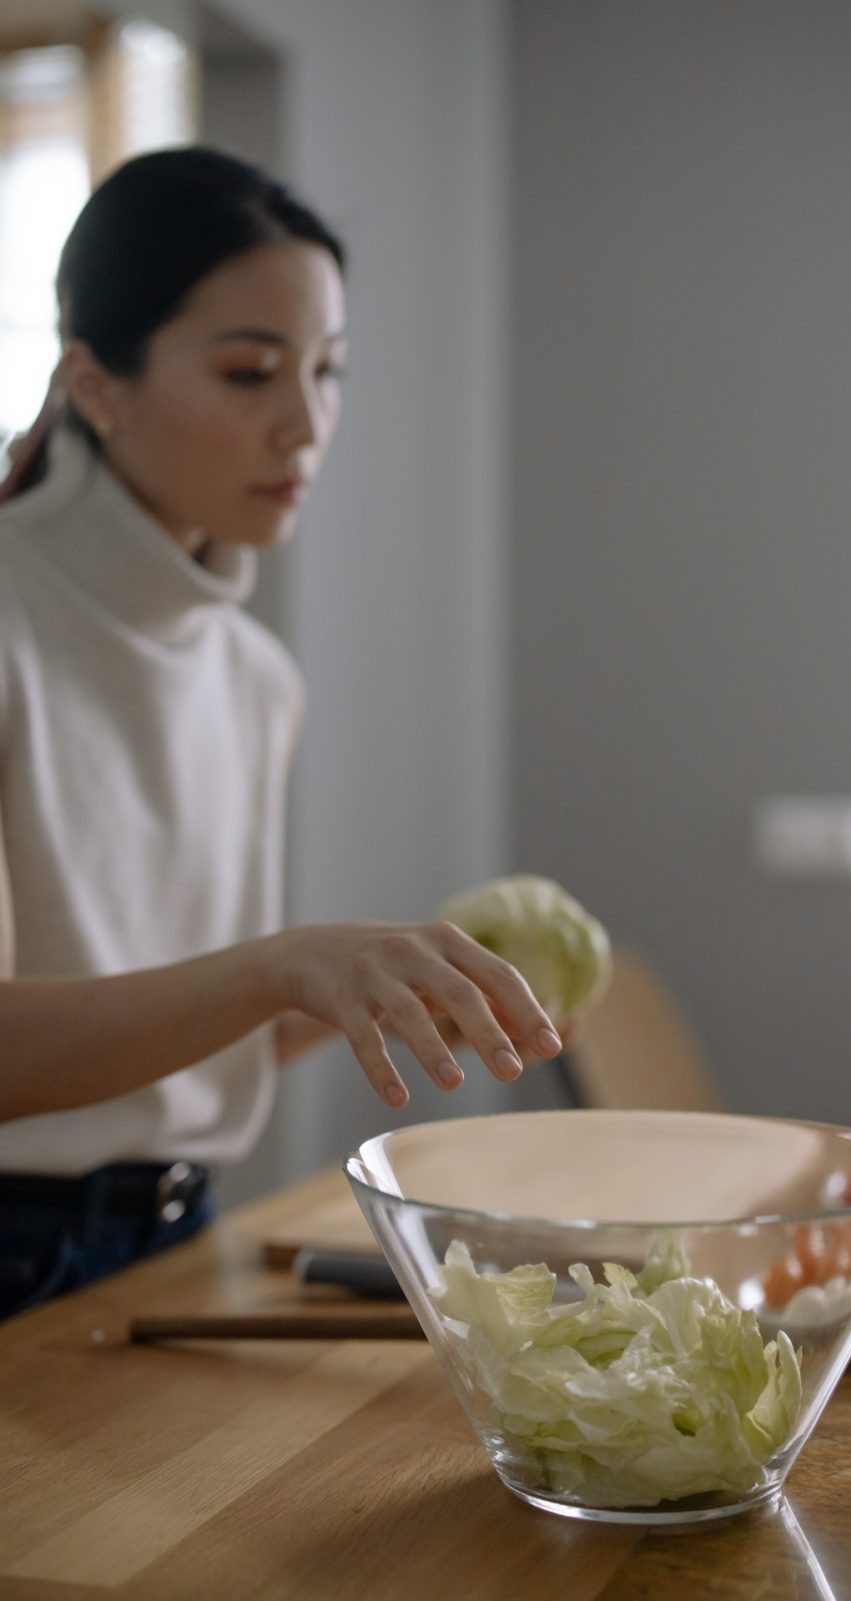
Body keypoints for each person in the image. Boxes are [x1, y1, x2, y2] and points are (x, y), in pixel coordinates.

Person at [0, 146, 562, 1319]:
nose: (305, 425)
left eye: (330, 370)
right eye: (252, 371)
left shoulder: (256, 675)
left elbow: (192, 1022)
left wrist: (404, 979)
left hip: (178, 1228)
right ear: (96, 384)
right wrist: (277, 961)